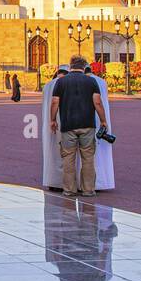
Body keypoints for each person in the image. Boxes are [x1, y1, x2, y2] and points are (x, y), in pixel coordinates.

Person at [49, 55, 107, 198]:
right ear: (84, 66)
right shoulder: (91, 81)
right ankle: (88, 190)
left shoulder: (61, 82)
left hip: (68, 125)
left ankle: (69, 190)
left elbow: (55, 102)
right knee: (88, 158)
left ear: (70, 66)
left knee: (68, 158)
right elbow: (97, 102)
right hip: (87, 124)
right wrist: (103, 120)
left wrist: (52, 119)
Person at [40, 66, 70, 189]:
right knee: (67, 153)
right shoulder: (66, 84)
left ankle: (52, 182)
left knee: (51, 152)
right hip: (63, 121)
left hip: (49, 122)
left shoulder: (48, 85)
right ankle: (67, 183)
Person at [90, 68, 115, 191]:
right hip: (101, 116)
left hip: (88, 119)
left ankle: (88, 183)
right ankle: (102, 181)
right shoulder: (101, 81)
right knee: (101, 153)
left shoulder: (87, 81)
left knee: (87, 154)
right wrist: (104, 120)